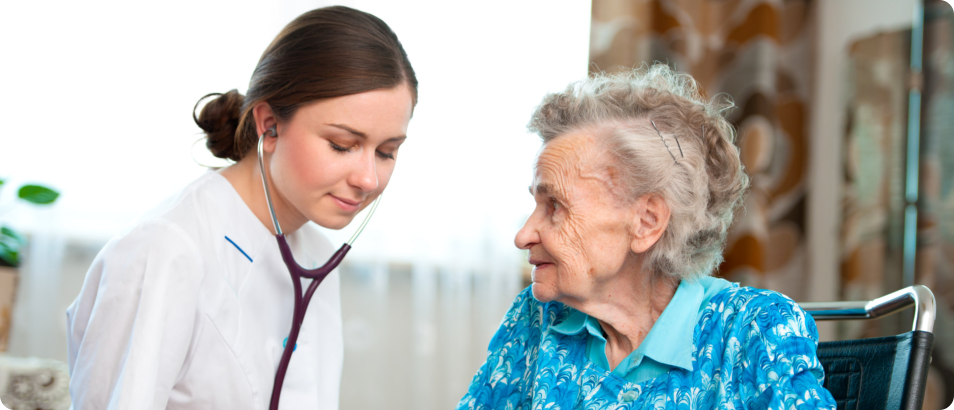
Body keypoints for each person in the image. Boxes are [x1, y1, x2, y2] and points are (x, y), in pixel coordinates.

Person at [65, 6, 417, 409]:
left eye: (387, 152)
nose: (369, 179)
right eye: (341, 145)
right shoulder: (165, 251)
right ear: (269, 125)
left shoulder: (319, 259)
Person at [457, 64, 835, 409]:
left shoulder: (756, 331)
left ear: (646, 222)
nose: (523, 236)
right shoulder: (539, 317)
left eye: (555, 205)